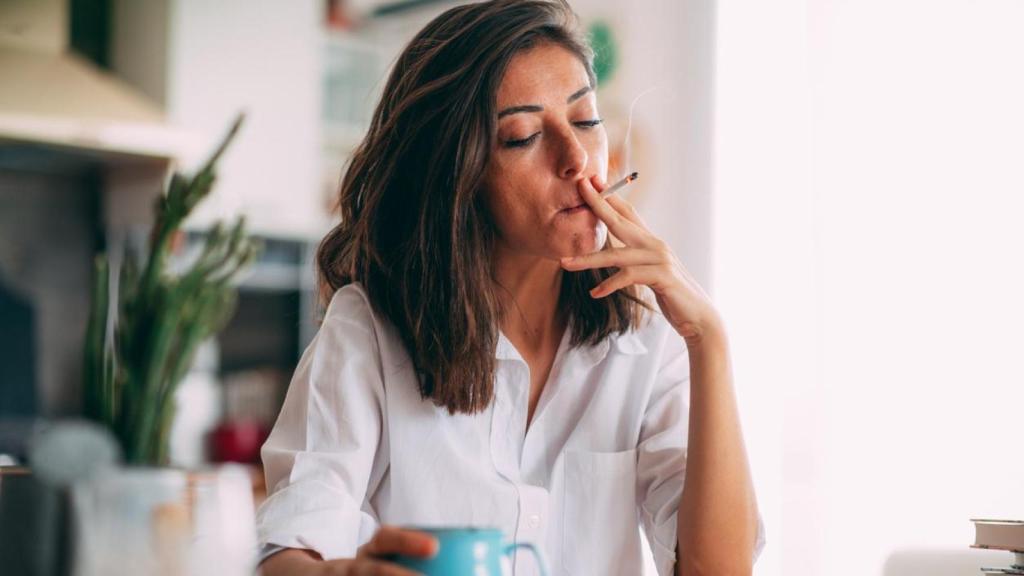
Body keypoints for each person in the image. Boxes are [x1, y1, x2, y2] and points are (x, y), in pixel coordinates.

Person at [257, 1, 765, 574]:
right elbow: (286, 552)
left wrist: (709, 340)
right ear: (458, 174)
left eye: (586, 119)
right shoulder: (368, 330)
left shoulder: (649, 342)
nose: (576, 159)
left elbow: (718, 570)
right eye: (523, 136)